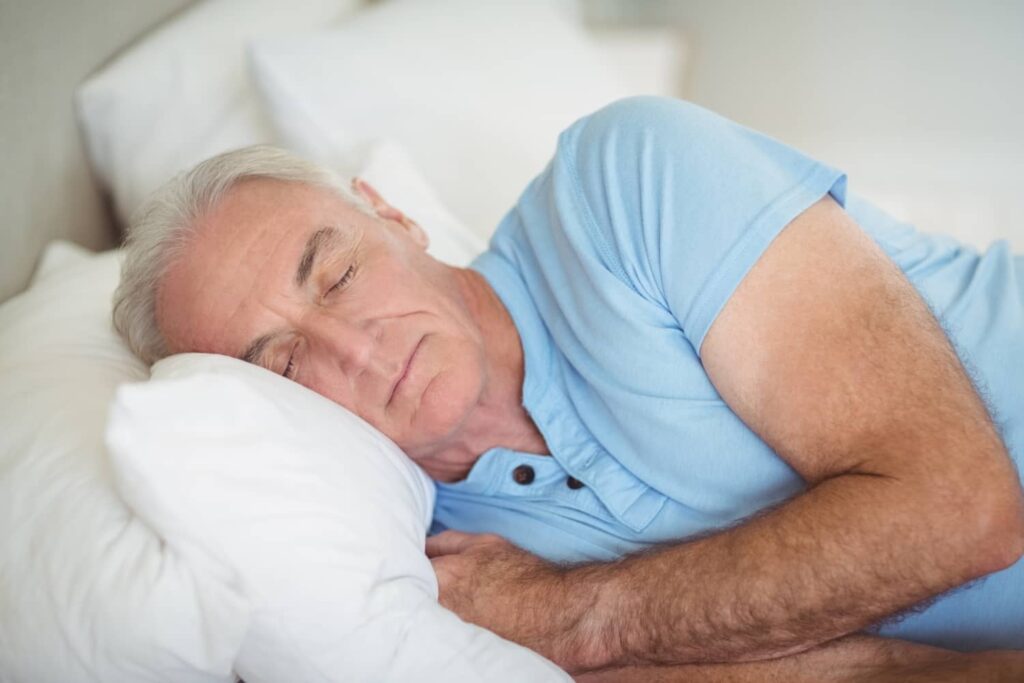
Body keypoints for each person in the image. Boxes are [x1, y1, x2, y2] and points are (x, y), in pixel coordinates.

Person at [112, 96, 1024, 681]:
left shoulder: (622, 181)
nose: (354, 347)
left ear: (391, 214)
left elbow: (962, 510)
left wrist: (581, 611)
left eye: (338, 274)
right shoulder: (434, 576)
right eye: (281, 362)